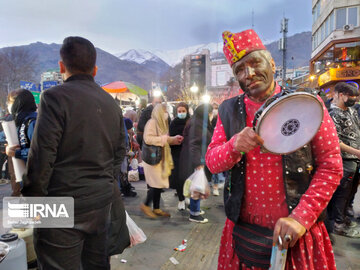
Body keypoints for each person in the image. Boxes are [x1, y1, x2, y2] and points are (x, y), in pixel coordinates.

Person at [205, 29, 343, 269]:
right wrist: (233, 146)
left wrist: (301, 217)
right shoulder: (227, 111)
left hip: (297, 234)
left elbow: (331, 165)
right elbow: (212, 162)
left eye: (254, 62)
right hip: (244, 235)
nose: (249, 74)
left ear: (270, 62)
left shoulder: (307, 103)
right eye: (239, 69)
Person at [21, 36, 127, 270]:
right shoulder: (110, 103)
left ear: (61, 67)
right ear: (95, 70)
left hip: (60, 202)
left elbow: (41, 157)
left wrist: (31, 204)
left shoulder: (54, 97)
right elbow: (121, 151)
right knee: (97, 265)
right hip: (101, 200)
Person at [327, 82, 360, 237]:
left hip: (355, 160)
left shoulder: (352, 111)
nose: (354, 99)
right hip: (345, 160)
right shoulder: (333, 115)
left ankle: (344, 219)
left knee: (349, 193)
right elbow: (336, 142)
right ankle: (338, 224)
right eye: (351, 96)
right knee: (341, 194)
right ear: (341, 95)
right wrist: (356, 152)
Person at [140, 103, 183, 218]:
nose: (166, 113)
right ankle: (145, 205)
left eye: (167, 111)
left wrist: (173, 139)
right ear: (159, 112)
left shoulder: (162, 124)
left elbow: (164, 139)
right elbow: (148, 139)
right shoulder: (152, 122)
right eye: (164, 111)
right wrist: (165, 139)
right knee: (156, 183)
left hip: (161, 158)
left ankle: (157, 208)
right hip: (153, 158)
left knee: (159, 183)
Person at [179, 103, 213, 223]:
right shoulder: (197, 124)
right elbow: (194, 145)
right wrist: (198, 163)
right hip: (194, 160)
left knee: (196, 185)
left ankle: (193, 208)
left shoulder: (196, 122)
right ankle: (194, 213)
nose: (211, 115)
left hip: (193, 159)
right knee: (197, 186)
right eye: (210, 113)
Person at [5, 89, 37, 196]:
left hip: (37, 182)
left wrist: (16, 153)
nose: (8, 106)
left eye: (10, 102)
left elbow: (39, 151)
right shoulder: (20, 121)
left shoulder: (33, 122)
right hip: (27, 179)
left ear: (18, 103)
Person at [169, 102, 190, 210]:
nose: (181, 113)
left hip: (188, 154)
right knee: (178, 177)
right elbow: (170, 138)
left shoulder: (191, 122)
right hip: (177, 154)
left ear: (187, 111)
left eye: (183, 111)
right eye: (179, 111)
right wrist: (175, 139)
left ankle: (186, 196)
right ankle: (181, 199)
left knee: (188, 177)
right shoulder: (173, 123)